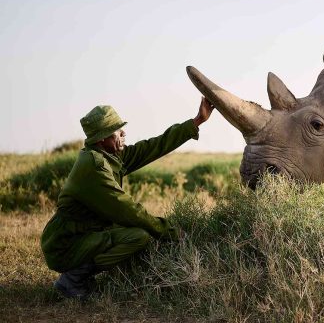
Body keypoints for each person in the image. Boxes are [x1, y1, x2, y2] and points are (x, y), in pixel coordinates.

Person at [41, 98, 215, 299]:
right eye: (116, 131)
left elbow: (153, 147)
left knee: (134, 232)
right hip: (65, 245)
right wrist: (168, 232)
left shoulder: (107, 155)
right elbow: (128, 210)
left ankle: (88, 276)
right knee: (137, 236)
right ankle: (72, 279)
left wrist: (197, 121)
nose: (123, 133)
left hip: (85, 234)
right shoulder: (95, 167)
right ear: (101, 139)